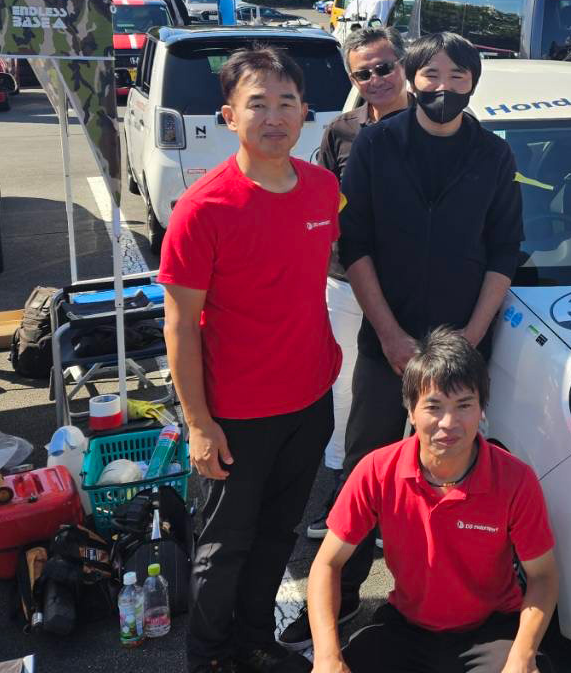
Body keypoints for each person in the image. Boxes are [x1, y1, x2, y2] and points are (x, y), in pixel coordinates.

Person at [281, 32, 524, 647]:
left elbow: (504, 252)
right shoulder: (376, 144)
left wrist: (471, 338)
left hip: (465, 343)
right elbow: (354, 243)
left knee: (455, 467)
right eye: (431, 75)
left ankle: (453, 599)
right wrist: (389, 334)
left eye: (458, 76)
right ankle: (338, 600)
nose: (444, 88)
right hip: (385, 341)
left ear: (473, 83)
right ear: (412, 80)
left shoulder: (494, 154)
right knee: (366, 462)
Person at [160, 46, 342, 673]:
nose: (274, 117)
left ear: (305, 112)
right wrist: (198, 423)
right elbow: (179, 326)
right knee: (224, 546)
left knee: (277, 535)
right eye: (257, 104)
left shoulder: (322, 189)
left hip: (310, 400)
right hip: (236, 415)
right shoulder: (202, 208)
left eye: (287, 102)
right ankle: (210, 657)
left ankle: (257, 640)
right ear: (229, 116)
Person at [306, 328, 558, 673]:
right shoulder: (377, 470)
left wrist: (522, 656)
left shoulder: (516, 479)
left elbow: (543, 576)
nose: (448, 423)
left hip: (491, 630)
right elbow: (327, 564)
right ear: (411, 411)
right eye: (434, 406)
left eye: (464, 405)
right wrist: (326, 656)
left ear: (482, 409)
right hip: (407, 628)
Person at [305, 26, 409, 543]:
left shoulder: (438, 124)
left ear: (404, 64)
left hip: (412, 284)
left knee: (412, 393)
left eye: (384, 67)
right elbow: (322, 203)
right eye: (363, 73)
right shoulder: (340, 131)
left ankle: (402, 498)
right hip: (346, 282)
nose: (376, 79)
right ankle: (346, 489)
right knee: (346, 388)